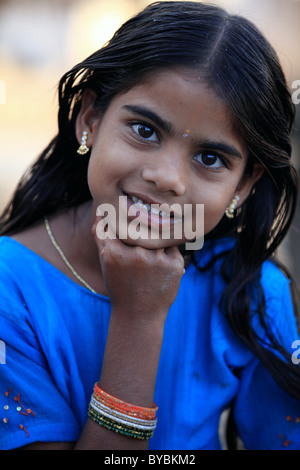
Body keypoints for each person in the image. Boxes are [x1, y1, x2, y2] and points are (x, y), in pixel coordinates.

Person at [0, 0, 299, 451]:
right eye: (144, 130)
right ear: (90, 118)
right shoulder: (10, 288)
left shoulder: (249, 291)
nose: (168, 178)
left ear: (243, 184)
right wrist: (138, 320)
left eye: (210, 158)